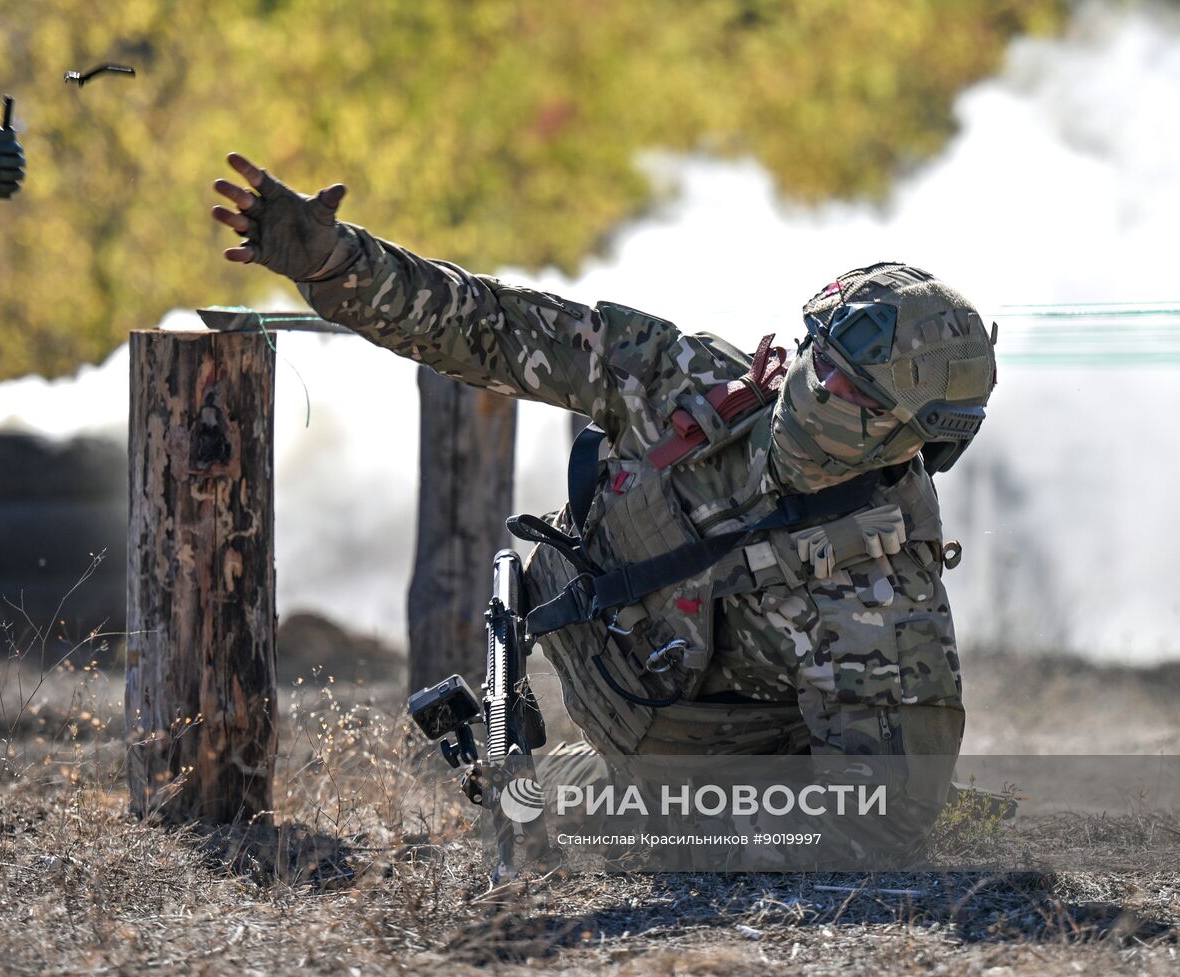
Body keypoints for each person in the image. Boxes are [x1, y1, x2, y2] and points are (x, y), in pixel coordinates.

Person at [211, 154, 997, 864]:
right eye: (818, 352)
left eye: (850, 386)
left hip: (693, 784)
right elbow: (492, 328)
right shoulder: (686, 384)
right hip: (622, 708)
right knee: (528, 802)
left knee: (545, 812)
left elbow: (870, 830)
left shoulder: (884, 610)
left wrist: (656, 832)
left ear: (909, 439)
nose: (814, 384)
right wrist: (339, 264)